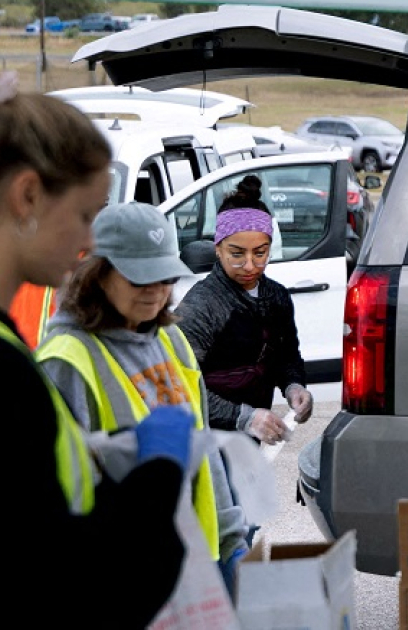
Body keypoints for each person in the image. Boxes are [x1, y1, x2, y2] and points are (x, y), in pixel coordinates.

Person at [0, 63, 190, 629]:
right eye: (86, 215)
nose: (92, 242)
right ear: (27, 196)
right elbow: (54, 593)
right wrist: (157, 481)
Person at [37, 202, 251, 597]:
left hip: (194, 570)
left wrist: (231, 539)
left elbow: (204, 451)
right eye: (140, 278)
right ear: (98, 274)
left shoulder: (171, 340)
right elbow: (56, 501)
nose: (156, 291)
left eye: (165, 277)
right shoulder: (66, 360)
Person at [175, 175, 313, 445]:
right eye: (236, 254)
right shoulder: (202, 306)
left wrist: (293, 386)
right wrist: (242, 417)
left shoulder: (276, 298)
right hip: (204, 442)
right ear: (218, 249)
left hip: (249, 443)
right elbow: (181, 386)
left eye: (260, 253)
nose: (250, 265)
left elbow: (286, 355)